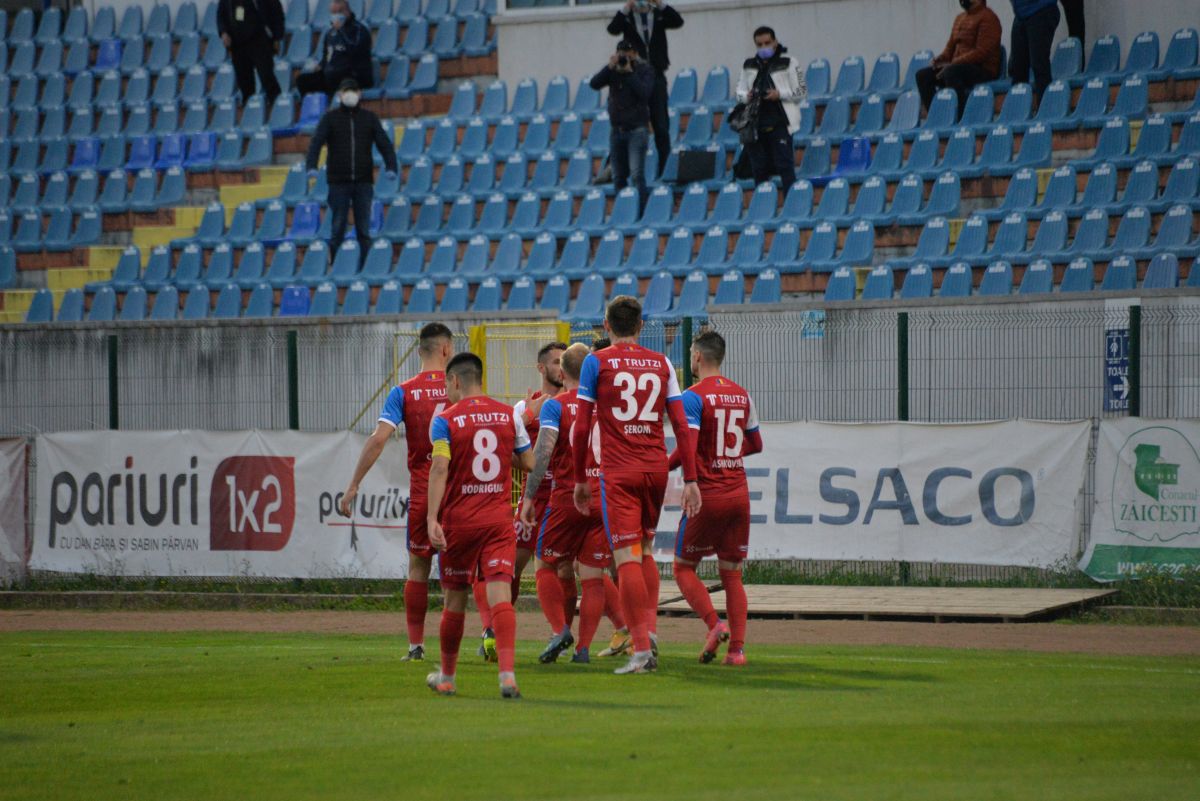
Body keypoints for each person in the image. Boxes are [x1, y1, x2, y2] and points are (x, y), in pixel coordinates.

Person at [571, 296, 701, 675]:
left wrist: (580, 478)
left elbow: (581, 426)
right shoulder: (662, 364)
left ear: (606, 326)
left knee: (625, 557)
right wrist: (689, 478)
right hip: (655, 471)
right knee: (644, 550)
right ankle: (651, 631)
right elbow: (680, 425)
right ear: (642, 326)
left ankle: (641, 649)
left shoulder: (597, 362)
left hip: (619, 472)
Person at [339, 323, 453, 662]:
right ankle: (471, 641)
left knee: (418, 569)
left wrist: (354, 483)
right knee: (457, 572)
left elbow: (378, 439)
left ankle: (416, 646)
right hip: (456, 491)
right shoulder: (459, 387)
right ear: (446, 349)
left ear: (419, 351)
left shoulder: (403, 392)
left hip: (421, 491)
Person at [425, 353, 534, 699]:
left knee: (454, 600)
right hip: (498, 521)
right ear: (480, 379)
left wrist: (431, 518)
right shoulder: (507, 416)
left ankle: (447, 677)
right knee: (500, 595)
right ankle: (507, 676)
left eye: (446, 384)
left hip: (460, 522)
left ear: (455, 381)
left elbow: (440, 468)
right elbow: (529, 462)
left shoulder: (445, 420)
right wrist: (505, 453)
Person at [519, 344, 628, 664]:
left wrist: (528, 497)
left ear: (562, 374)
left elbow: (542, 455)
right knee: (593, 575)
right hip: (602, 498)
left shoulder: (557, 406)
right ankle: (582, 649)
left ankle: (558, 630)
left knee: (545, 564)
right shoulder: (607, 406)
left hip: (568, 496)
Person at [668, 331, 763, 666]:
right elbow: (756, 444)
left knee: (683, 568)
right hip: (738, 494)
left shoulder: (693, 397)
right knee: (732, 575)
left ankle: (714, 624)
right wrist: (727, 455)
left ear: (697, 356)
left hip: (708, 494)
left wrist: (666, 466)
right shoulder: (741, 394)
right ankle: (737, 651)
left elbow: (688, 447)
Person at [471, 342, 567, 661]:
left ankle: (582, 633)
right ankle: (495, 629)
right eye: (555, 362)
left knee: (578, 570)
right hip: (534, 500)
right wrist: (527, 416)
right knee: (508, 568)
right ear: (541, 369)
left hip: (566, 499)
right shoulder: (521, 411)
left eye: (564, 361)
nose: (561, 367)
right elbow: (501, 452)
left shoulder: (576, 402)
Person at [305, 79, 398, 267]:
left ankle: (364, 267)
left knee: (363, 229)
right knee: (338, 226)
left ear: (360, 93)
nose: (350, 94)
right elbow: (316, 143)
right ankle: (336, 264)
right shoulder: (330, 118)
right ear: (340, 94)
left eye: (353, 91)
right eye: (346, 91)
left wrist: (391, 166)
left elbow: (384, 143)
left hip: (363, 182)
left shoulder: (369, 118)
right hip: (338, 182)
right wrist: (311, 166)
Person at [607, 0, 683, 179]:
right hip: (635, 75)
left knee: (661, 126)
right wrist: (627, 8)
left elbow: (678, 21)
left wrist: (659, 4)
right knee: (628, 124)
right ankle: (617, 169)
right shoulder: (627, 19)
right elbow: (612, 28)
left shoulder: (658, 16)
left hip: (656, 75)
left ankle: (664, 171)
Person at [736, 27, 805, 194]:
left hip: (781, 122)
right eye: (759, 44)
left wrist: (779, 94)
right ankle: (763, 207)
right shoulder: (749, 65)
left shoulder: (790, 62)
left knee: (784, 167)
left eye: (767, 43)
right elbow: (739, 92)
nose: (763, 47)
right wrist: (747, 95)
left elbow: (801, 91)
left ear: (775, 42)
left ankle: (791, 205)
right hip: (756, 123)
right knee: (758, 169)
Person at [590, 42, 655, 213]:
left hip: (637, 131)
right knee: (618, 177)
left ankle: (642, 212)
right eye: (620, 53)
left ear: (634, 53)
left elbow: (645, 94)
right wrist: (609, 67)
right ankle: (624, 212)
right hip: (617, 131)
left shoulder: (644, 70)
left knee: (636, 175)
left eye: (626, 52)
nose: (623, 56)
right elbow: (594, 84)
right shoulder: (613, 71)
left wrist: (630, 73)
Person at [915, 0, 1002, 119]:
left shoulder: (989, 18)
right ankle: (936, 117)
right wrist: (939, 59)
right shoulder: (959, 18)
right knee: (923, 76)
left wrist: (954, 63)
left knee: (951, 72)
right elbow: (950, 48)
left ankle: (960, 117)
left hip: (983, 70)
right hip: (958, 67)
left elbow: (982, 52)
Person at [295, 0, 374, 98]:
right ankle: (315, 109)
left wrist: (341, 31)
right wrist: (321, 65)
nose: (334, 17)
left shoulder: (359, 30)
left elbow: (355, 51)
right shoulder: (330, 33)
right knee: (303, 81)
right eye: (332, 14)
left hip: (353, 75)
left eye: (337, 13)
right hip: (332, 75)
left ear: (346, 12)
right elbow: (327, 55)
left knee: (340, 80)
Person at [217, 0, 285, 107]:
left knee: (266, 76)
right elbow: (221, 15)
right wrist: (223, 32)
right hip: (237, 44)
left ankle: (278, 106)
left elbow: (276, 11)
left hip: (259, 40)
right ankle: (250, 111)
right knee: (244, 82)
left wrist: (277, 36)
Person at [1008, 0, 1061, 104]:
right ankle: (1017, 111)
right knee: (1017, 68)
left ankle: (1045, 109)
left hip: (1041, 9)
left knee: (1039, 64)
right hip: (1021, 14)